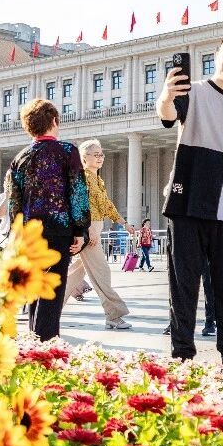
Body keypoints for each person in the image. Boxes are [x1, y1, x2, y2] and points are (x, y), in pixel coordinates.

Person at [159, 30, 223, 363]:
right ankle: (182, 356)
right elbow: (167, 115)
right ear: (217, 55)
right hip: (187, 200)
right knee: (183, 285)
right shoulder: (193, 91)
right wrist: (166, 95)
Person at [5, 98, 90, 340]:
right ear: (54, 121)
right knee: (51, 289)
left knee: (34, 289)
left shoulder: (20, 158)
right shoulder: (67, 151)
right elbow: (78, 193)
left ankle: (33, 340)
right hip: (59, 231)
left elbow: (13, 202)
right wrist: (80, 230)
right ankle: (47, 344)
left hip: (29, 234)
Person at [63, 139, 133, 330]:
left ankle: (48, 304)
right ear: (84, 158)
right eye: (96, 154)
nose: (100, 157)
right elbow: (79, 206)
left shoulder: (97, 179)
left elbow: (107, 205)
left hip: (95, 228)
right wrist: (88, 230)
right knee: (102, 272)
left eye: (101, 154)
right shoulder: (83, 178)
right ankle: (114, 314)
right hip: (88, 230)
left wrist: (124, 223)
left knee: (76, 273)